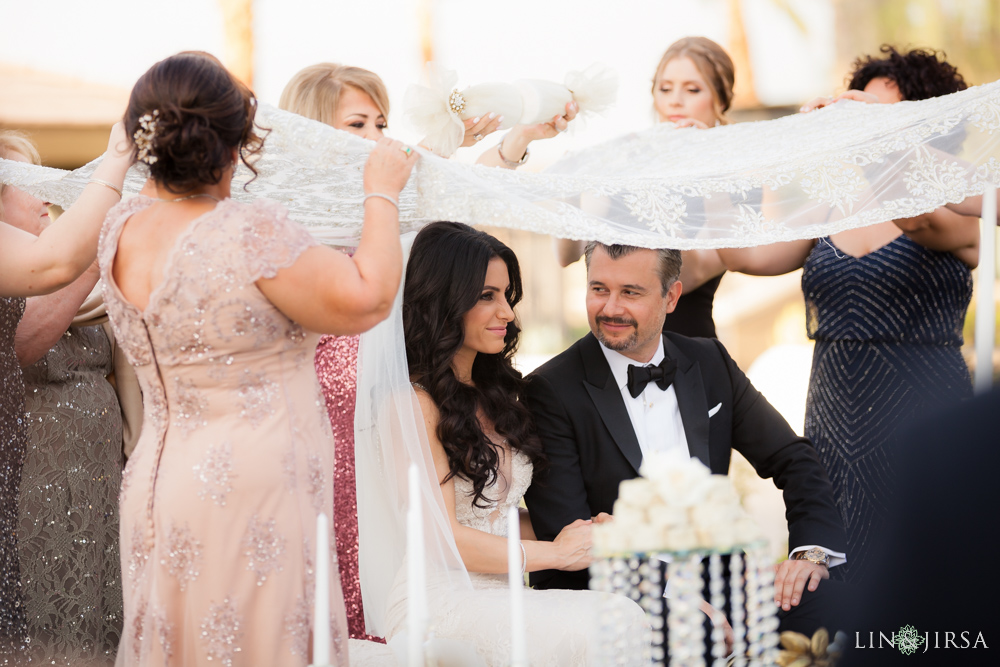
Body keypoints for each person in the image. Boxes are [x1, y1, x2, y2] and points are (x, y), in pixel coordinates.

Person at [103, 51, 416, 666]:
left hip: (157, 484)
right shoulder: (250, 231)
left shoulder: (120, 226)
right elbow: (368, 297)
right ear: (235, 141)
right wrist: (382, 195)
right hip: (256, 484)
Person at [278, 61, 579, 641]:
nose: (376, 138)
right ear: (311, 133)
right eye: (357, 123)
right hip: (317, 435)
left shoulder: (389, 213)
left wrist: (515, 141)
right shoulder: (294, 226)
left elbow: (454, 223)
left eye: (381, 123)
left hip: (382, 427)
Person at [718, 45, 978, 584]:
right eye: (858, 109)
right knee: (841, 580)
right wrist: (788, 148)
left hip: (924, 406)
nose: (864, 122)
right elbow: (752, 252)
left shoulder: (957, 206)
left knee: (924, 577)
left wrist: (878, 141)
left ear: (925, 122)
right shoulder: (831, 205)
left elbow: (918, 220)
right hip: (835, 415)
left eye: (885, 113)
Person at [356, 222, 648, 666]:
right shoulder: (410, 403)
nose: (508, 312)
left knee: (621, 618)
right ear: (443, 300)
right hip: (438, 602)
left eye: (508, 295)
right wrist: (556, 554)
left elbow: (494, 517)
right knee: (612, 619)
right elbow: (440, 537)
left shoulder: (496, 399)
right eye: (487, 296)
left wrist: (583, 533)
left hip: (502, 595)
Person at [524, 242, 849, 637]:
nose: (610, 308)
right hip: (617, 592)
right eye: (598, 289)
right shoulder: (548, 389)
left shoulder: (710, 360)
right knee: (700, 640)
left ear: (671, 296)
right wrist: (679, 596)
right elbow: (570, 535)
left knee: (839, 612)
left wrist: (809, 555)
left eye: (630, 292)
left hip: (725, 578)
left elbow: (792, 458)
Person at [0, 127, 130, 656]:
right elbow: (24, 342)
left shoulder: (67, 261)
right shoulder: (57, 266)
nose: (43, 199)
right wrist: (99, 251)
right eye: (26, 182)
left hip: (97, 473)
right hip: (39, 474)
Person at [555, 36, 732, 338]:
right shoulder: (626, 164)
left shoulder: (727, 181)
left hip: (686, 345)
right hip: (611, 344)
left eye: (692, 89)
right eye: (665, 89)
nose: (675, 100)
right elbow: (568, 256)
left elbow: (686, 276)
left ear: (720, 99)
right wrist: (570, 195)